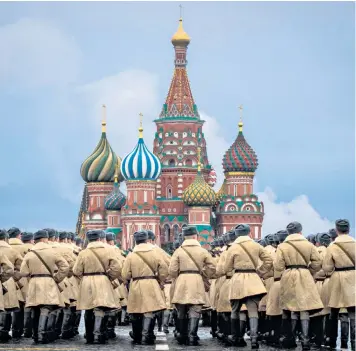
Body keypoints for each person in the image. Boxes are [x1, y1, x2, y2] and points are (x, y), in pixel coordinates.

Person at [274, 221, 323, 350]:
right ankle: (305, 340)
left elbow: (278, 266)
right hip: (305, 275)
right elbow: (318, 262)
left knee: (291, 308)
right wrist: (309, 271)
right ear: (300, 231)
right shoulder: (308, 244)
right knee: (304, 308)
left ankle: (290, 338)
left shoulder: (282, 246)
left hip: (288, 275)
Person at [224, 224, 273, 349]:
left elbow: (226, 268)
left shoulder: (232, 248)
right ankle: (254, 339)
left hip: (238, 280)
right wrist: (261, 271)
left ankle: (236, 337)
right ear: (248, 232)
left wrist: (232, 273)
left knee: (235, 310)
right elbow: (268, 260)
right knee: (253, 310)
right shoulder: (256, 245)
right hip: (253, 279)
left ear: (236, 234)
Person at [169, 226, 216, 346]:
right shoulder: (203, 251)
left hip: (182, 280)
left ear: (184, 236)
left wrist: (178, 275)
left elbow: (172, 270)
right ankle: (192, 336)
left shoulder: (178, 251)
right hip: (197, 280)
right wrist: (204, 275)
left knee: (181, 308)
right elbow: (212, 267)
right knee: (195, 308)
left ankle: (182, 334)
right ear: (196, 236)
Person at [20, 229, 69, 344]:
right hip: (48, 281)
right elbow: (65, 266)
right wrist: (57, 278)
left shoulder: (30, 253)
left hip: (34, 282)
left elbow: (23, 272)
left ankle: (36, 335)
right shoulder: (52, 251)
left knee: (35, 309)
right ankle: (42, 334)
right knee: (46, 308)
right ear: (44, 239)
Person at [73, 229, 122, 344]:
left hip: (86, 281)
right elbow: (117, 267)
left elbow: (76, 270)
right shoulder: (109, 250)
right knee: (101, 307)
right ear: (100, 238)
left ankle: (89, 335)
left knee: (89, 309)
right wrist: (109, 277)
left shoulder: (83, 252)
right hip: (102, 279)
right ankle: (99, 335)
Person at [122, 230, 168, 345]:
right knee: (149, 310)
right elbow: (164, 269)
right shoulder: (155, 253)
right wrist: (161, 280)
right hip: (151, 283)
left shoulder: (131, 255)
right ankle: (147, 335)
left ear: (135, 241)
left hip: (136, 284)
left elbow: (125, 274)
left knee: (136, 311)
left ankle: (137, 335)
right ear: (147, 239)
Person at [323, 219, 355, 350]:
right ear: (349, 229)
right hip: (354, 278)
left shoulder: (332, 246)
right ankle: (353, 343)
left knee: (334, 312)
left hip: (337, 279)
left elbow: (327, 268)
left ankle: (333, 342)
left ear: (337, 230)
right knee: (353, 312)